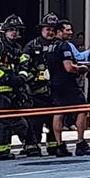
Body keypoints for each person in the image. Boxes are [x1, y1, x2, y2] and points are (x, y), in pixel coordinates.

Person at [0, 15, 33, 160]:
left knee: (7, 122)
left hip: (9, 92)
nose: (14, 32)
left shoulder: (16, 48)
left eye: (16, 30)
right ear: (4, 32)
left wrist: (22, 78)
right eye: (11, 30)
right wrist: (8, 79)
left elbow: (23, 65)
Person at [48, 19, 90, 156]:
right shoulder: (64, 46)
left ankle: (59, 145)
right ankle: (81, 143)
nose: (71, 33)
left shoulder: (50, 46)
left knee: (58, 113)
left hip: (54, 84)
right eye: (67, 30)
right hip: (68, 85)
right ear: (59, 31)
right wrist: (82, 68)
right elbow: (69, 67)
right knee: (82, 110)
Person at [22, 14, 60, 156]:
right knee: (35, 121)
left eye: (53, 29)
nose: (50, 32)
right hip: (36, 92)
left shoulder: (59, 45)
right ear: (42, 29)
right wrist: (33, 80)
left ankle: (53, 145)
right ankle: (33, 146)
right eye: (47, 29)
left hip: (54, 91)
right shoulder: (32, 46)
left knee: (53, 120)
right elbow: (23, 67)